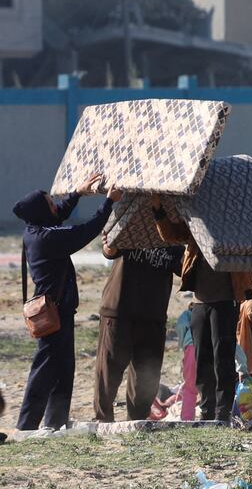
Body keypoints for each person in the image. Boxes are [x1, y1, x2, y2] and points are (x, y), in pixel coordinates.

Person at [14, 174, 120, 431]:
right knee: (44, 371)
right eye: (50, 203)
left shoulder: (36, 231)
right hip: (54, 313)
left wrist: (78, 193)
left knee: (62, 370)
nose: (55, 205)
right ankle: (26, 426)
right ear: (42, 211)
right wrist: (109, 202)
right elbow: (86, 232)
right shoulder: (46, 239)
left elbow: (57, 215)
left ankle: (55, 422)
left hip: (59, 311)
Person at [158, 195, 252, 421]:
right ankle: (207, 410)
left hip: (225, 303)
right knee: (203, 361)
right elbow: (171, 234)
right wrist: (158, 211)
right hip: (200, 304)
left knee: (223, 358)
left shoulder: (235, 226)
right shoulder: (195, 226)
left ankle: (222, 413)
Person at [94, 228, 183, 423]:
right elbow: (109, 251)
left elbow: (185, 268)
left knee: (146, 374)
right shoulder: (130, 227)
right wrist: (110, 240)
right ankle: (103, 420)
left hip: (153, 315)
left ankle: (138, 421)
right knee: (109, 370)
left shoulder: (171, 237)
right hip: (119, 311)